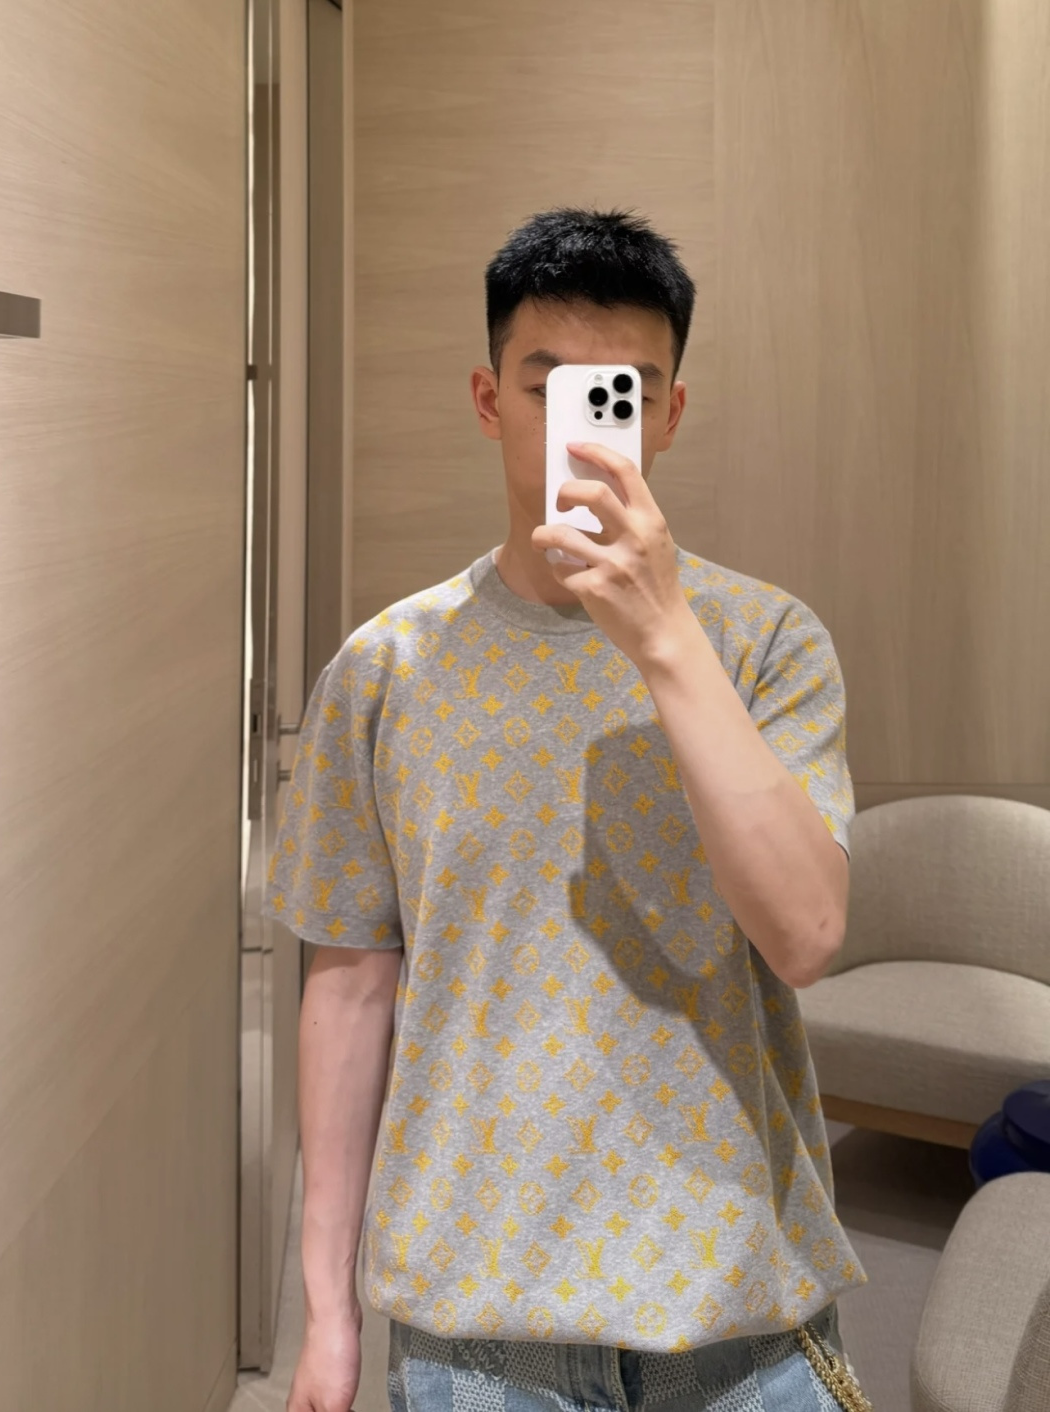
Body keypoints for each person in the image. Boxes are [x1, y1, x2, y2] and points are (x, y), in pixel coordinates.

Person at [267, 208, 872, 1412]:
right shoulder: (384, 670)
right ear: (489, 400)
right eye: (549, 387)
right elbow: (350, 987)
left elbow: (806, 933)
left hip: (738, 1305)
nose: (585, 426)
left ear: (670, 413)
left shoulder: (766, 643)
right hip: (478, 1323)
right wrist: (329, 1310)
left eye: (622, 393)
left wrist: (663, 639)